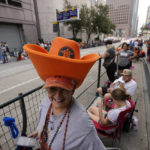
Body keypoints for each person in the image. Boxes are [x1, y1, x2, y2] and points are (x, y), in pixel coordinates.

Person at [23, 37, 106, 150]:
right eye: (52, 88)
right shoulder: (45, 103)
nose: (57, 95)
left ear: (73, 90)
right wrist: (38, 132)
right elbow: (45, 125)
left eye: (64, 89)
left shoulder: (83, 125)